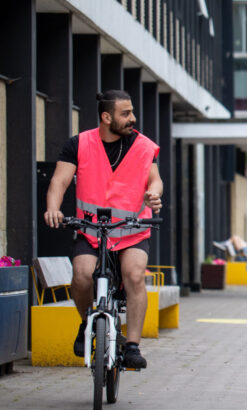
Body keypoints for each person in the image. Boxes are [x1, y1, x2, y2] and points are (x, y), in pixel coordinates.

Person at [44, 90, 163, 369]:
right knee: (82, 276)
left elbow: (155, 180)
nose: (132, 118)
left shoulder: (143, 146)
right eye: (125, 113)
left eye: (132, 111)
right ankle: (87, 324)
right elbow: (59, 182)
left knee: (134, 275)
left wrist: (153, 195)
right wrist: (53, 207)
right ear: (106, 117)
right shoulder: (79, 144)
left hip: (132, 229)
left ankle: (132, 346)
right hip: (91, 230)